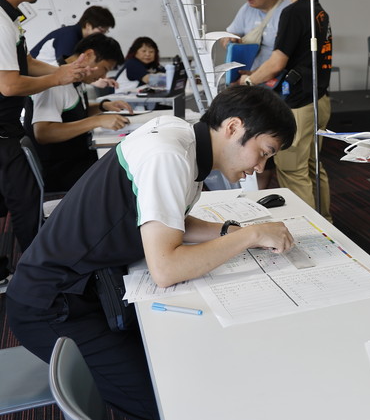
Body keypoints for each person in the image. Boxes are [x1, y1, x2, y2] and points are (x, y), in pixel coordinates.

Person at [6, 86, 296, 420]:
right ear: (233, 127)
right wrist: (250, 235)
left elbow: (167, 220)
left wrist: (231, 232)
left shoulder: (179, 137)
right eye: (264, 152)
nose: (261, 166)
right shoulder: (168, 157)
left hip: (88, 286)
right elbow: (166, 269)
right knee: (168, 402)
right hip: (52, 304)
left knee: (186, 359)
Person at [0, 0, 89, 265]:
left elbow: (26, 62)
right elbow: (10, 85)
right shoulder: (0, 21)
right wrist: (58, 79)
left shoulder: (9, 19)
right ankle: (36, 272)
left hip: (8, 129)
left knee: (20, 201)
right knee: (26, 204)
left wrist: (65, 73)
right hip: (2, 133)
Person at [243, 0, 332, 221]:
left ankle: (311, 229)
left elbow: (277, 62)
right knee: (313, 167)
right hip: (319, 100)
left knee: (293, 170)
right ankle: (326, 222)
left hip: (298, 105)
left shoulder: (292, 12)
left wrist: (248, 81)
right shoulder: (318, 10)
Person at [29, 33, 132, 192]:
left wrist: (104, 106)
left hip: (78, 159)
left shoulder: (77, 78)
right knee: (123, 178)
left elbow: (74, 111)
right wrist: (97, 121)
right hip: (61, 171)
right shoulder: (56, 81)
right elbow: (43, 133)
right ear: (89, 55)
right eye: (105, 69)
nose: (103, 76)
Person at [221, 0, 289, 73]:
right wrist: (228, 40)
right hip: (249, 77)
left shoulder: (288, 12)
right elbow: (231, 34)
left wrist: (254, 77)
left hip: (277, 78)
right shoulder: (247, 9)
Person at [30, 5, 115, 66]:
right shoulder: (69, 35)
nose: (102, 35)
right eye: (101, 30)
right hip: (33, 77)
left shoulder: (80, 38)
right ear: (88, 25)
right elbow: (66, 67)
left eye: (105, 31)